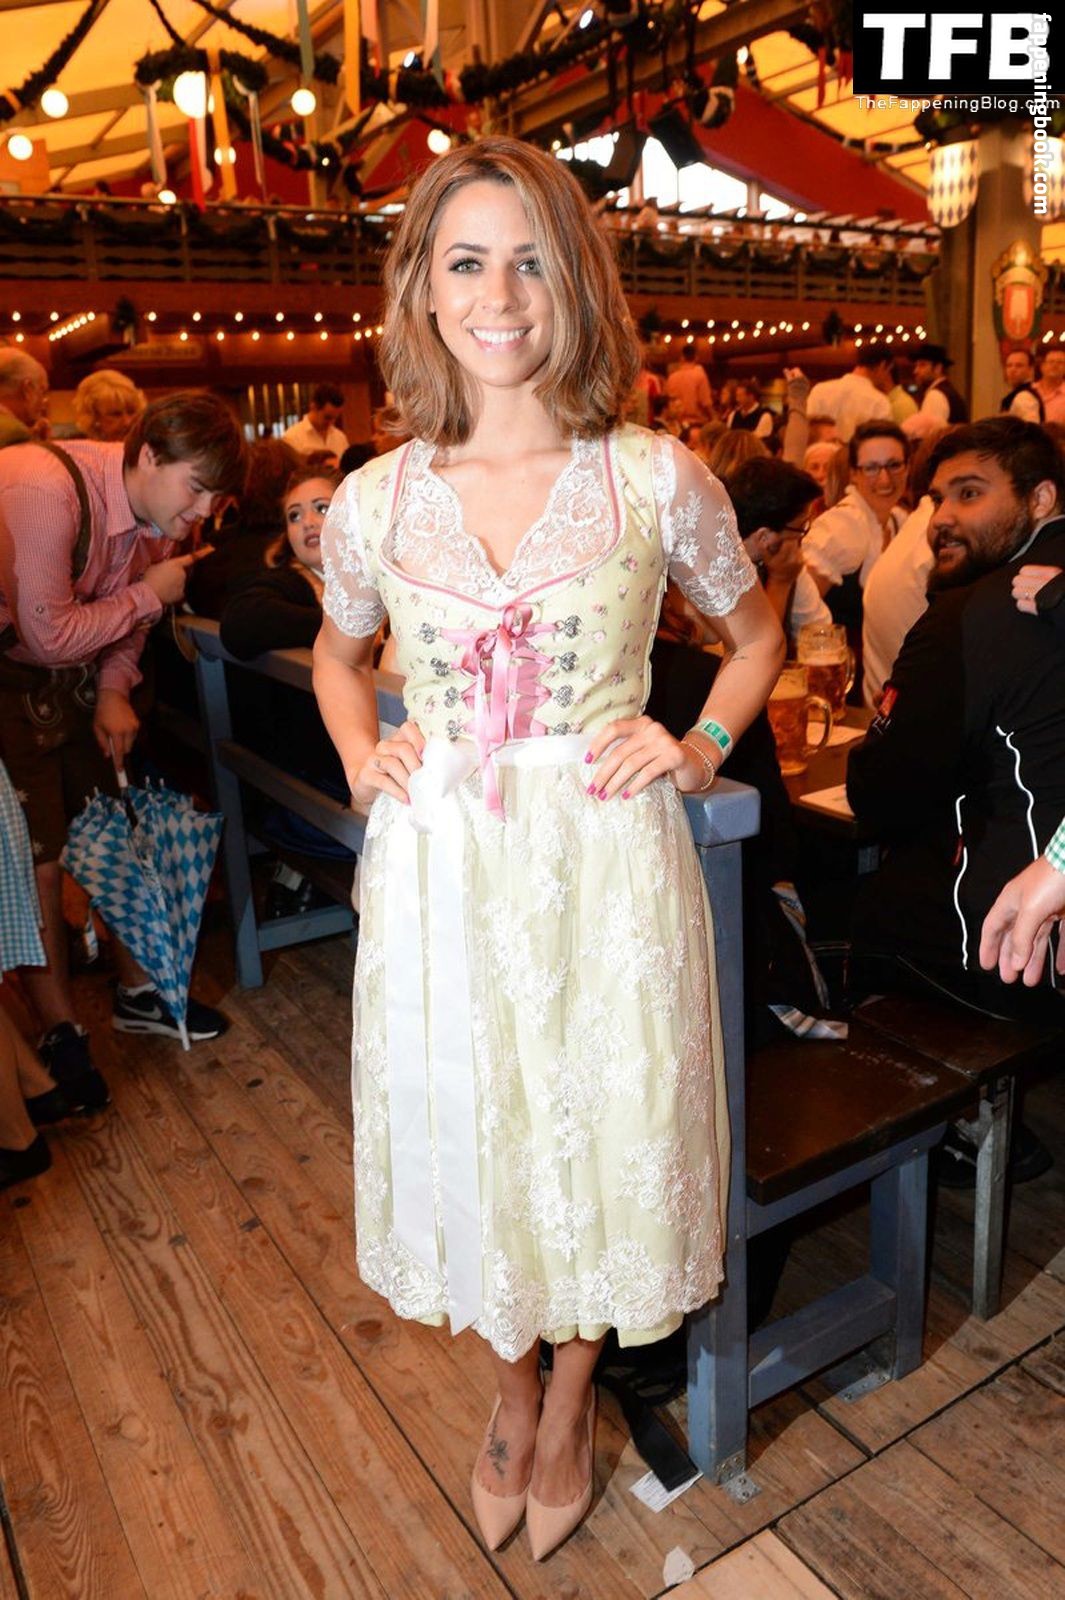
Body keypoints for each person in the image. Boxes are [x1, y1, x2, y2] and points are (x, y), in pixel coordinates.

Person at [312, 136, 783, 1561]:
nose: (500, 295)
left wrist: (696, 744)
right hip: (444, 868)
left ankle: (572, 1392)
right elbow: (339, 657)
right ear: (423, 287)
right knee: (476, 1120)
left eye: (530, 260)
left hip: (605, 867)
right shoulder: (373, 499)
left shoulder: (653, 476)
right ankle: (510, 1385)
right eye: (467, 261)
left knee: (602, 1124)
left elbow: (757, 635)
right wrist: (364, 755)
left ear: (575, 280)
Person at [0, 392, 246, 1108]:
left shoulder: (161, 513)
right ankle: (61, 1030)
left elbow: (125, 626)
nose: (202, 512)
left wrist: (114, 688)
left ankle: (139, 992)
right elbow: (47, 634)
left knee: (108, 828)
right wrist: (147, 596)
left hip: (76, 680)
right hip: (9, 678)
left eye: (216, 498)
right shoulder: (42, 491)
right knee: (39, 857)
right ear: (147, 455)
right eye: (196, 489)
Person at [847, 417, 1065, 1021]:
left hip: (1014, 948)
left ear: (1040, 498)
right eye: (936, 499)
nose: (941, 517)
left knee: (868, 912)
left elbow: (882, 789)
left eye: (969, 494)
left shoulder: (967, 615)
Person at [803, 421, 908, 645]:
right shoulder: (842, 526)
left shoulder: (900, 521)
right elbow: (799, 610)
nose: (885, 479)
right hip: (842, 661)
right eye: (871, 468)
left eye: (894, 465)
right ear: (853, 474)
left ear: (907, 468)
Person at [724, 456, 830, 645]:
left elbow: (820, 632)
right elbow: (752, 652)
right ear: (764, 538)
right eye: (801, 527)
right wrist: (780, 583)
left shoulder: (785, 562)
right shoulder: (714, 570)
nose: (803, 537)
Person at [806, 346, 893, 443]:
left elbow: (807, 432)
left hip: (819, 451)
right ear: (882, 365)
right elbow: (882, 443)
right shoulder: (880, 402)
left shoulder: (819, 390)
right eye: (888, 371)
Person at [903, 341, 969, 438]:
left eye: (922, 365)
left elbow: (931, 438)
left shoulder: (936, 395)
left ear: (938, 368)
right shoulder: (947, 391)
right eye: (916, 365)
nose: (915, 371)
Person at [72, 369, 146, 442]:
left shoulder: (148, 444)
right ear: (94, 416)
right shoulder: (75, 446)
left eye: (131, 412)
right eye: (115, 414)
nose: (127, 422)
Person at [282, 383, 349, 461]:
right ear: (313, 407)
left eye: (335, 418)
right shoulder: (292, 437)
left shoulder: (340, 438)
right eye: (327, 417)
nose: (332, 422)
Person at [0, 349, 49, 446]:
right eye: (42, 392)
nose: (44, 403)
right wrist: (41, 445)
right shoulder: (14, 433)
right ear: (27, 389)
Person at [664, 344, 712, 425]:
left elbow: (666, 401)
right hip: (695, 423)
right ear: (696, 357)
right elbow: (706, 403)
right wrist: (714, 418)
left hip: (676, 423)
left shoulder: (672, 377)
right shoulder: (700, 375)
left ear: (682, 357)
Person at [1000, 348, 1044, 424]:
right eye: (1009, 365)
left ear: (1030, 369)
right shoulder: (1015, 394)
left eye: (1019, 366)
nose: (1013, 370)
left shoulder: (1025, 397)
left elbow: (1031, 427)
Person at [1034, 346, 1065, 427]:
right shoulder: (1028, 391)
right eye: (1051, 362)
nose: (1055, 365)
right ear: (1042, 366)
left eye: (1060, 362)